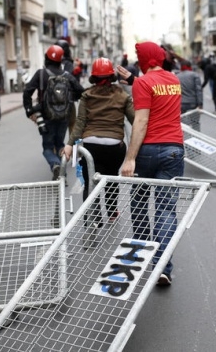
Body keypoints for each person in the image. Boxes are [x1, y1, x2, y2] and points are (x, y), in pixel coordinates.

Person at [120, 41, 184, 287]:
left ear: (143, 61)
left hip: (147, 151)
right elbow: (155, 87)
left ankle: (144, 255)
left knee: (139, 204)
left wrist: (130, 158)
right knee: (166, 209)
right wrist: (135, 81)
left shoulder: (143, 84)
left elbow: (141, 122)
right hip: (174, 150)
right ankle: (163, 267)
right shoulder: (174, 80)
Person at [62, 58, 134, 227]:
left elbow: (80, 122)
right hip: (115, 147)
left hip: (90, 146)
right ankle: (111, 211)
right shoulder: (123, 95)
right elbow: (135, 120)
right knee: (111, 177)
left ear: (93, 77)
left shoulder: (86, 95)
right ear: (112, 76)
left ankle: (92, 216)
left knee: (89, 181)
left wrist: (69, 144)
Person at [23, 45, 84, 180]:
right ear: (60, 60)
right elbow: (81, 91)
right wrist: (69, 99)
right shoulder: (67, 76)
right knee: (60, 144)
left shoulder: (40, 74)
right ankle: (61, 174)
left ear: (46, 58)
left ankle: (55, 165)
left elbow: (27, 91)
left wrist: (29, 111)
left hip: (46, 117)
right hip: (64, 116)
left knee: (48, 148)